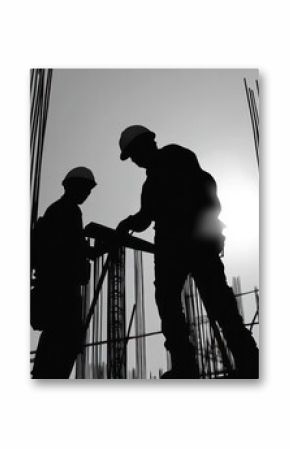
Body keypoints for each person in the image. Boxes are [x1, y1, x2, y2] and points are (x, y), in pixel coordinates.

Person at [117, 125, 259, 379]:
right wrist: (129, 223)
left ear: (147, 144)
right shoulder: (154, 180)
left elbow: (201, 189)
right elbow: (145, 217)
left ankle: (240, 362)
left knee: (203, 303)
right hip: (184, 246)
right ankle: (200, 363)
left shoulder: (174, 159)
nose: (135, 161)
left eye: (135, 154)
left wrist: (201, 225)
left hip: (187, 244)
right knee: (179, 303)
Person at [31, 167, 97, 379]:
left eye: (89, 191)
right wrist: (88, 252)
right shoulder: (68, 211)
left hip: (55, 289)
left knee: (57, 341)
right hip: (60, 291)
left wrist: (90, 251)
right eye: (85, 189)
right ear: (73, 187)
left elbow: (69, 247)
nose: (87, 194)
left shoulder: (58, 210)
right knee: (63, 343)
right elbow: (66, 251)